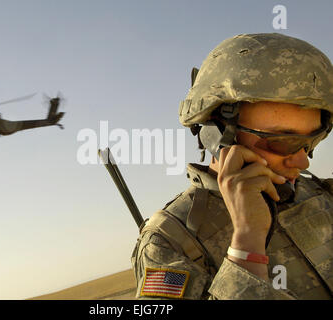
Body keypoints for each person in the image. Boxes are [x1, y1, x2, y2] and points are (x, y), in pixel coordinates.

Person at [131, 33, 333, 300]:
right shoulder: (170, 243)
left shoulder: (322, 194)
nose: (303, 160)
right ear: (218, 132)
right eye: (283, 142)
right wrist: (246, 249)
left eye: (309, 141)